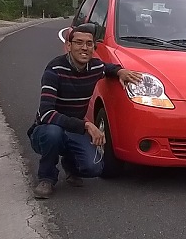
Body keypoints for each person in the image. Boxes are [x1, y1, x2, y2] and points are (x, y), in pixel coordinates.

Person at [27, 22, 143, 198]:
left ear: (93, 48)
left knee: (94, 168)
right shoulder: (54, 70)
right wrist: (87, 125)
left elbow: (108, 68)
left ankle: (71, 165)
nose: (84, 48)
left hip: (74, 130)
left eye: (89, 44)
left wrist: (120, 72)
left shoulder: (94, 67)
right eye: (79, 43)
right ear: (69, 46)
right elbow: (46, 114)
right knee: (53, 134)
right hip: (45, 129)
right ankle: (47, 178)